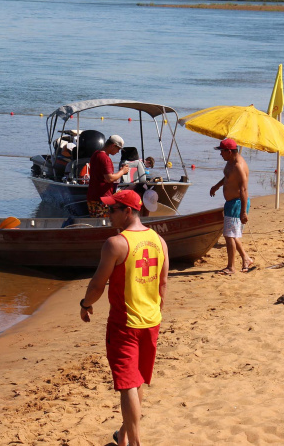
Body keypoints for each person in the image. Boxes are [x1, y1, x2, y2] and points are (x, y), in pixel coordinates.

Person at [79, 189, 169, 446]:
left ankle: (135, 443)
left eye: (112, 209)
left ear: (128, 211)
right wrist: (155, 311)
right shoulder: (159, 241)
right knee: (136, 381)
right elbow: (162, 284)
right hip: (152, 320)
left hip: (125, 323)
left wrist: (85, 304)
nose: (107, 214)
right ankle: (124, 436)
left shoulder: (116, 243)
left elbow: (97, 285)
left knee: (128, 384)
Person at [209, 138, 254, 275]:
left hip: (237, 203)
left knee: (229, 236)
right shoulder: (230, 162)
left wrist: (243, 212)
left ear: (229, 151)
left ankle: (231, 267)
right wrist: (216, 186)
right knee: (232, 235)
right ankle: (246, 258)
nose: (220, 154)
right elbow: (228, 178)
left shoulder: (238, 166)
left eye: (222, 151)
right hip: (230, 203)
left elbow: (244, 190)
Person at [87, 135, 130, 217]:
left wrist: (118, 173)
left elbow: (102, 176)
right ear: (113, 145)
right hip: (102, 198)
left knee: (95, 221)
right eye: (118, 149)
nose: (118, 152)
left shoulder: (96, 154)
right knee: (104, 223)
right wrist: (122, 171)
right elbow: (109, 178)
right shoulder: (105, 158)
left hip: (92, 196)